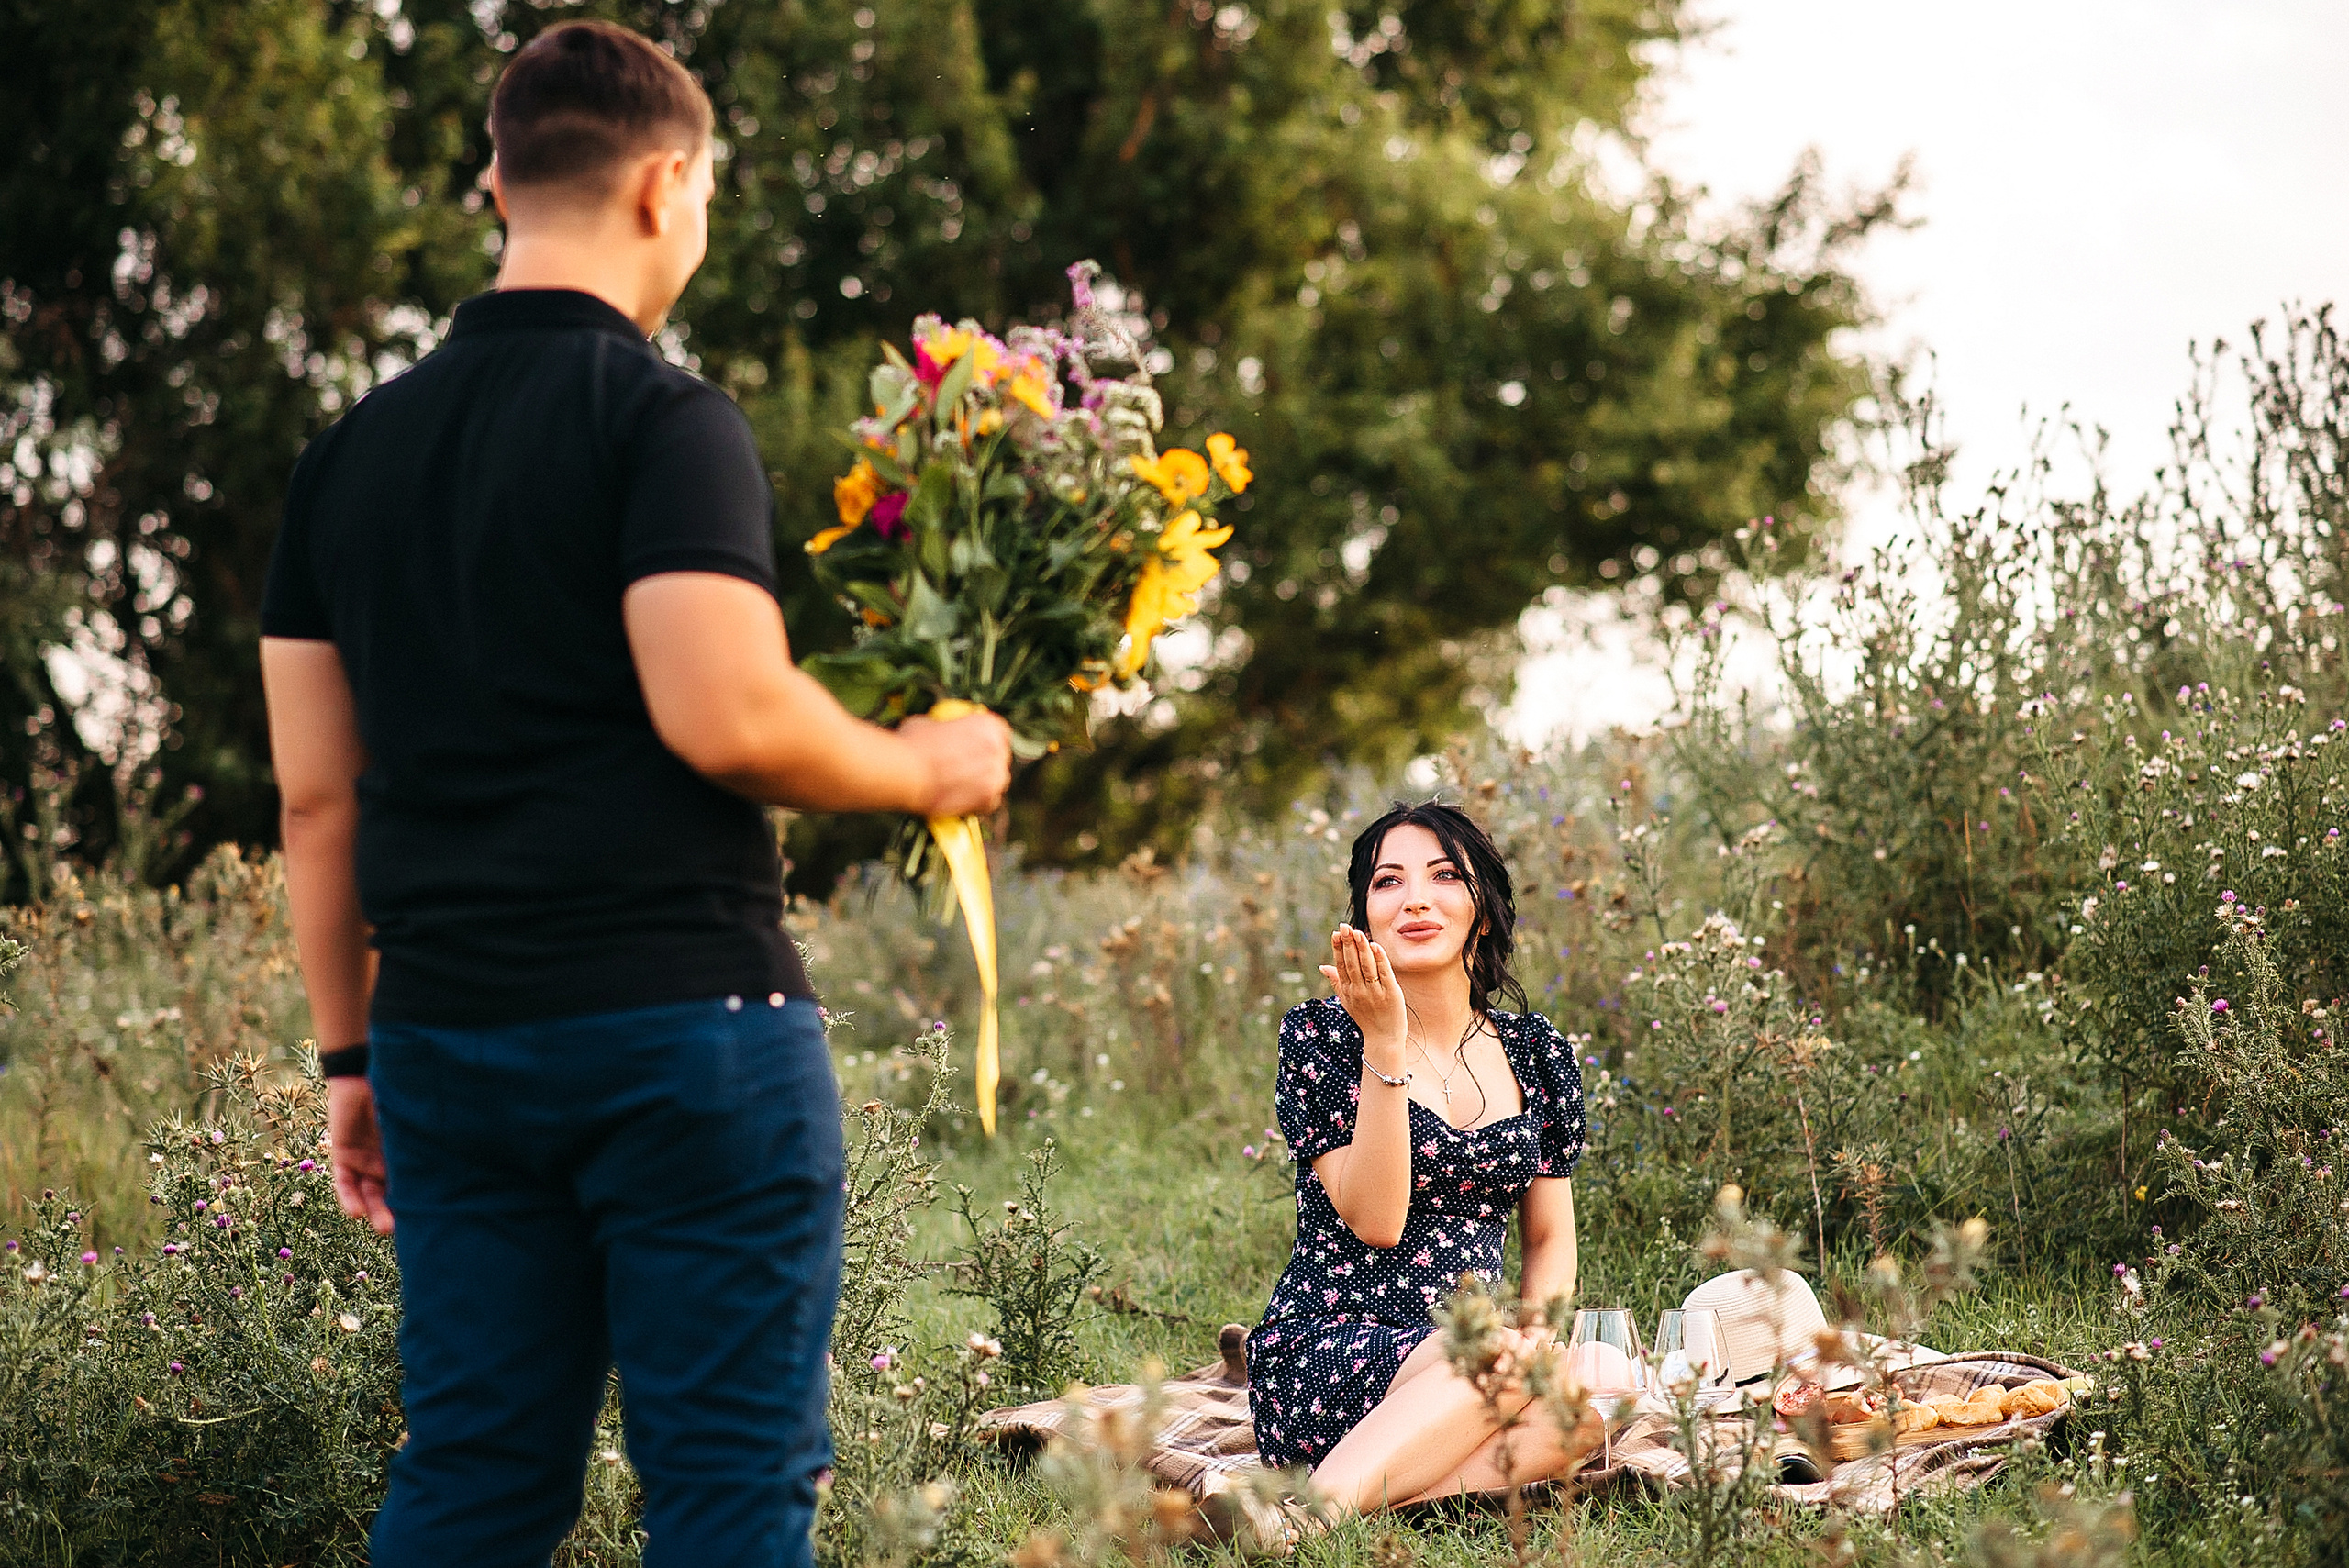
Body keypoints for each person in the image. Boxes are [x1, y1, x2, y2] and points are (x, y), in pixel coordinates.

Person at [257, 21, 1012, 1568]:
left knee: (473, 1473)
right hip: (683, 1035)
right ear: (670, 185)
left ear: (497, 184)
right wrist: (925, 764)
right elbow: (726, 712)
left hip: (448, 1043)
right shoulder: (663, 420)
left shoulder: (343, 461)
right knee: (728, 1490)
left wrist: (352, 1053)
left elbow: (317, 803)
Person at [1244, 801, 1599, 1513]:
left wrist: (1530, 1339)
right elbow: (1376, 1219)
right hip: (1331, 1347)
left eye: (1444, 876)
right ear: (1365, 915)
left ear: (1484, 911)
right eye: (1388, 881)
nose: (1414, 899)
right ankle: (1310, 1520)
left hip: (1477, 1350)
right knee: (1488, 1358)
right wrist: (1384, 1042)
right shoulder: (1322, 1038)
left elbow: (1548, 1235)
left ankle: (1339, 1497)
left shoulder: (1539, 1053)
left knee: (1585, 1408)